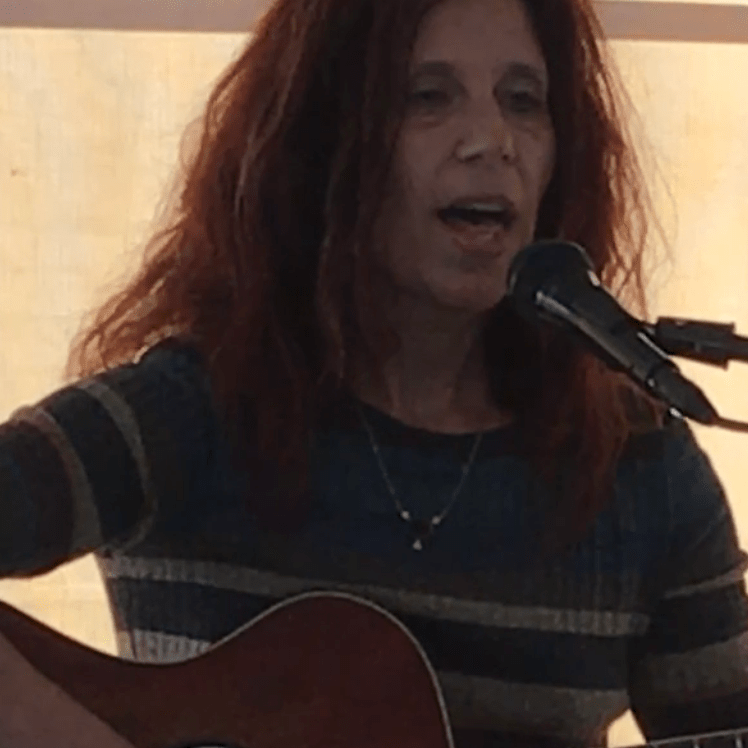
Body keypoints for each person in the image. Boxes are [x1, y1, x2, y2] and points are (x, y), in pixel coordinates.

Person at [1, 0, 747, 746]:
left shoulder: (639, 470)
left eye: (523, 101)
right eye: (428, 97)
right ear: (321, 141)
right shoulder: (187, 415)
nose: (492, 140)